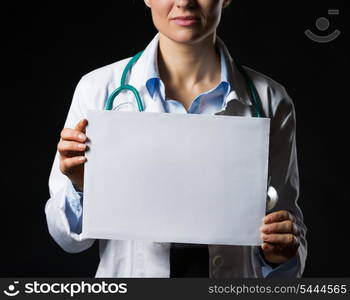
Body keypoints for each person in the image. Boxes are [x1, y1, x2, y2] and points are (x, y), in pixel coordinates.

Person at [45, 0, 307, 278]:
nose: (184, 2)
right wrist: (82, 186)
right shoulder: (98, 89)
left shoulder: (270, 100)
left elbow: (285, 233)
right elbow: (69, 240)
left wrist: (278, 256)